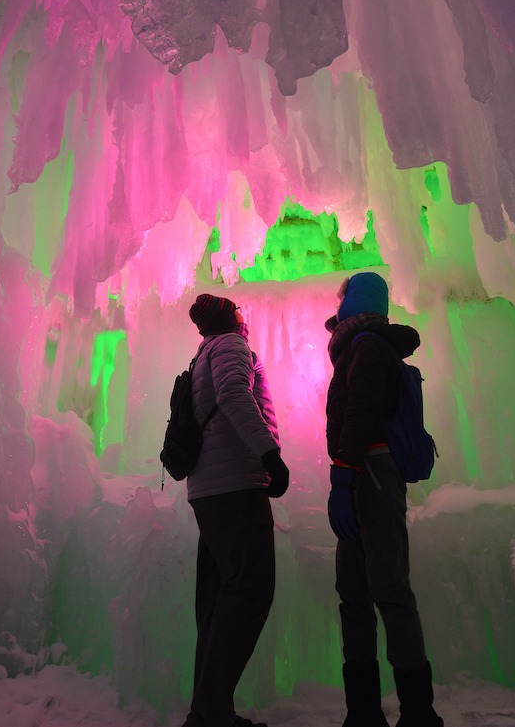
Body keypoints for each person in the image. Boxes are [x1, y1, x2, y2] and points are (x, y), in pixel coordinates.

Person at [324, 272, 442, 727]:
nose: (337, 305)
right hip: (359, 473)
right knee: (352, 591)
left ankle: (418, 712)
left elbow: (361, 409)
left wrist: (343, 472)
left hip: (370, 471)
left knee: (389, 586)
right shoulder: (356, 345)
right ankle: (363, 713)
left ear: (356, 300)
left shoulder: (369, 345)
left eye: (344, 296)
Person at [182, 293, 290, 727]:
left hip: (209, 488)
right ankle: (211, 713)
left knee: (217, 597)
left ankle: (208, 712)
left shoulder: (203, 353)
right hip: (233, 486)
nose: (244, 316)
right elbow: (233, 395)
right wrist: (268, 454)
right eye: (238, 310)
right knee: (250, 588)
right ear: (229, 317)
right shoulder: (229, 345)